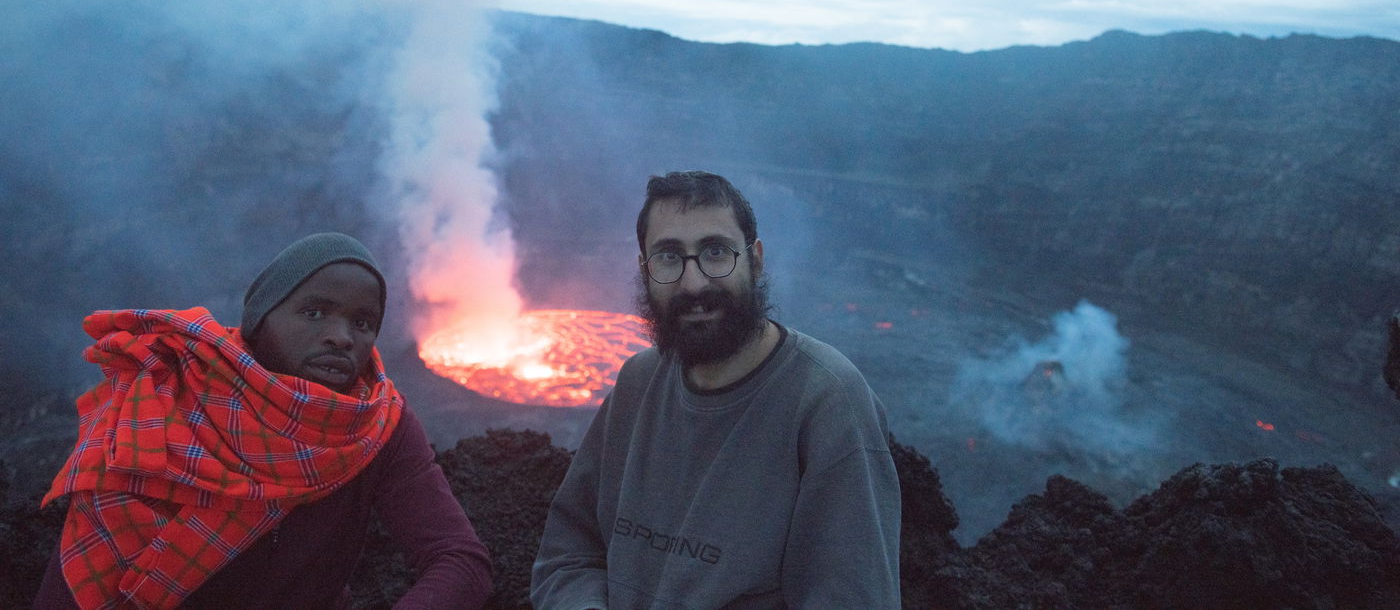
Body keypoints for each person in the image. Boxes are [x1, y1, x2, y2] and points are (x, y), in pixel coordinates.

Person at [33, 232, 493, 610]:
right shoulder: (164, 399)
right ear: (260, 321)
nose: (340, 337)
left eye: (363, 322)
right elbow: (82, 579)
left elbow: (459, 559)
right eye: (314, 312)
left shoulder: (378, 424)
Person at [531, 171, 901, 610]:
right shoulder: (637, 384)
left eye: (716, 252)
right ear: (644, 271)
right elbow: (569, 553)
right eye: (669, 257)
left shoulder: (827, 402)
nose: (694, 283)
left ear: (755, 260)